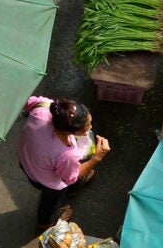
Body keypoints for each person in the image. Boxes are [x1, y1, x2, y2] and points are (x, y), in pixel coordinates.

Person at [17, 96, 110, 230]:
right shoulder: (67, 153)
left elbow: (28, 101)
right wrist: (96, 158)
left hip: (25, 159)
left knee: (71, 173)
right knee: (50, 200)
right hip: (45, 180)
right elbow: (69, 178)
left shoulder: (44, 108)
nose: (91, 127)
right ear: (70, 132)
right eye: (86, 128)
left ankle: (73, 190)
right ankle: (45, 222)